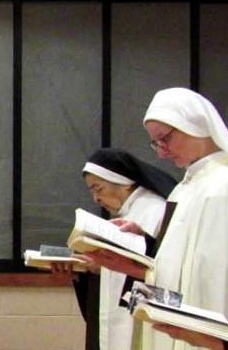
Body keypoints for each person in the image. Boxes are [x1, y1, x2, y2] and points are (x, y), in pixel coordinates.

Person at [88, 87, 228, 350]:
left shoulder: (222, 185)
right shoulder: (185, 188)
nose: (162, 152)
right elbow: (178, 268)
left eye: (165, 139)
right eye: (156, 143)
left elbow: (213, 273)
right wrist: (143, 247)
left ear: (194, 124)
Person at [55, 148, 177, 350]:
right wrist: (85, 271)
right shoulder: (132, 211)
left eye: (98, 188)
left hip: (141, 323)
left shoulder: (155, 210)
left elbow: (158, 273)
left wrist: (103, 265)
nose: (96, 199)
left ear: (123, 183)